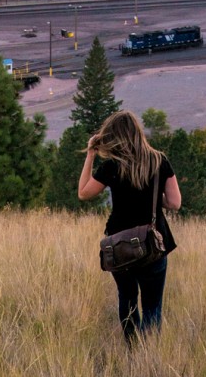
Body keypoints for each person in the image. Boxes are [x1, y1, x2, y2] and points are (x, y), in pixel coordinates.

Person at [78, 110, 182, 342]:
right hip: (152, 245)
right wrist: (155, 201)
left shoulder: (111, 167)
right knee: (153, 305)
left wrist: (90, 155)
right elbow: (175, 203)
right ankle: (149, 355)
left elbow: (83, 194)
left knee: (127, 300)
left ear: (114, 137)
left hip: (119, 246)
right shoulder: (159, 160)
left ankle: (132, 350)